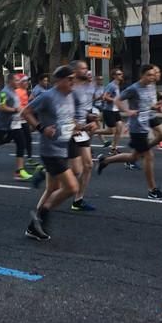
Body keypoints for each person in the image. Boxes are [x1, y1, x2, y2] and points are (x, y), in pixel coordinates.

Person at [22, 65, 80, 240]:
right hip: (51, 150)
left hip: (63, 148)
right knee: (72, 187)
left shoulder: (70, 96)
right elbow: (26, 112)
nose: (73, 82)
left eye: (74, 79)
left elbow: (67, 119)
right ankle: (43, 214)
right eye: (70, 79)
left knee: (52, 188)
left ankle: (33, 227)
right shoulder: (48, 97)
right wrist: (41, 128)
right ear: (60, 80)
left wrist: (82, 126)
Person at [97, 65, 162, 200]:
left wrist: (156, 106)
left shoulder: (150, 87)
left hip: (145, 123)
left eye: (153, 75)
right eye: (149, 75)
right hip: (137, 128)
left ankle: (105, 160)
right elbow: (118, 100)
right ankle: (152, 190)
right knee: (149, 156)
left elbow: (147, 105)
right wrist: (128, 112)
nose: (152, 77)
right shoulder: (134, 88)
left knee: (133, 157)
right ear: (142, 75)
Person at [69, 61, 99, 211]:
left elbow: (86, 109)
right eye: (83, 68)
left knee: (88, 165)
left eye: (87, 68)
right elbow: (65, 112)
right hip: (70, 131)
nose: (87, 71)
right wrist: (77, 126)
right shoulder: (70, 88)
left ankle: (78, 200)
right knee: (76, 170)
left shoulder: (89, 86)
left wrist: (92, 118)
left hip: (83, 131)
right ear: (74, 71)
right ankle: (48, 172)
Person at [97, 69, 125, 154]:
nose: (121, 75)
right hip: (108, 111)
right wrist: (114, 100)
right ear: (114, 76)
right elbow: (105, 97)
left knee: (119, 127)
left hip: (115, 110)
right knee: (110, 131)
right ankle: (92, 131)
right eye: (119, 74)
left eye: (121, 73)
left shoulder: (117, 85)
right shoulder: (111, 85)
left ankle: (114, 148)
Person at [16, 75, 37, 166]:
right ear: (20, 83)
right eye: (25, 81)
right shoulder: (16, 92)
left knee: (28, 139)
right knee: (16, 140)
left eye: (27, 81)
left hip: (24, 120)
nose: (27, 83)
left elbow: (27, 106)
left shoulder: (26, 92)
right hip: (16, 121)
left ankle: (29, 158)